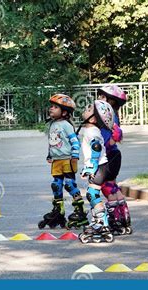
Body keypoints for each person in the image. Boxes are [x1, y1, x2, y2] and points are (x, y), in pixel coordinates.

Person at [39, 94, 87, 229]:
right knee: (56, 185)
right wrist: (49, 155)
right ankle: (59, 211)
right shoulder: (53, 124)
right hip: (56, 161)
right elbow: (52, 142)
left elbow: (74, 141)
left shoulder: (66, 125)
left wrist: (75, 155)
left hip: (67, 159)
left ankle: (80, 211)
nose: (51, 109)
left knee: (70, 185)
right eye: (51, 106)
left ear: (64, 112)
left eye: (55, 107)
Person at [78, 100, 115, 244]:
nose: (85, 108)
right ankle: (97, 220)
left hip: (99, 166)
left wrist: (91, 166)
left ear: (92, 119)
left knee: (92, 194)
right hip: (100, 166)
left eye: (89, 108)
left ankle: (102, 223)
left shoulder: (92, 131)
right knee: (92, 194)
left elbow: (96, 147)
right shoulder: (90, 130)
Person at [97, 85, 132, 235]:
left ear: (110, 101)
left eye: (102, 97)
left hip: (108, 156)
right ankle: (123, 215)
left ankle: (114, 218)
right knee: (112, 186)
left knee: (105, 186)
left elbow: (108, 141)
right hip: (116, 156)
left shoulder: (106, 118)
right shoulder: (114, 116)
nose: (98, 99)